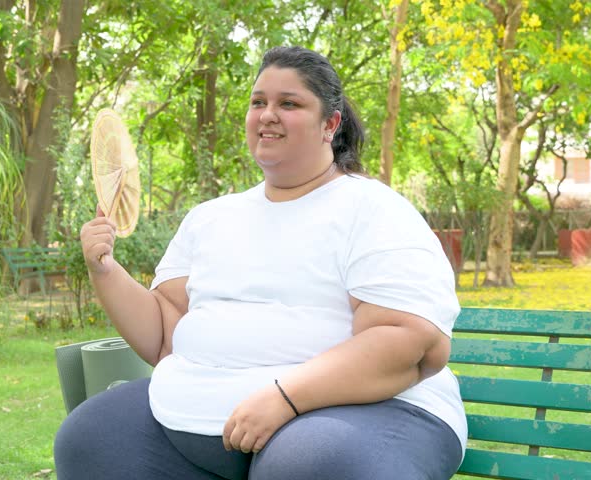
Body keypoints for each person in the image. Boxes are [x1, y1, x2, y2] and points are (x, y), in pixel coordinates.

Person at [55, 46, 466, 480]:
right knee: (90, 437)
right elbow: (164, 334)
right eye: (258, 102)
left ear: (330, 123)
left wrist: (283, 398)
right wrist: (104, 270)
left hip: (363, 413)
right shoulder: (211, 217)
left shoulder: (373, 210)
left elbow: (409, 342)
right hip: (196, 417)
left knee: (306, 463)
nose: (268, 114)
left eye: (288, 103)